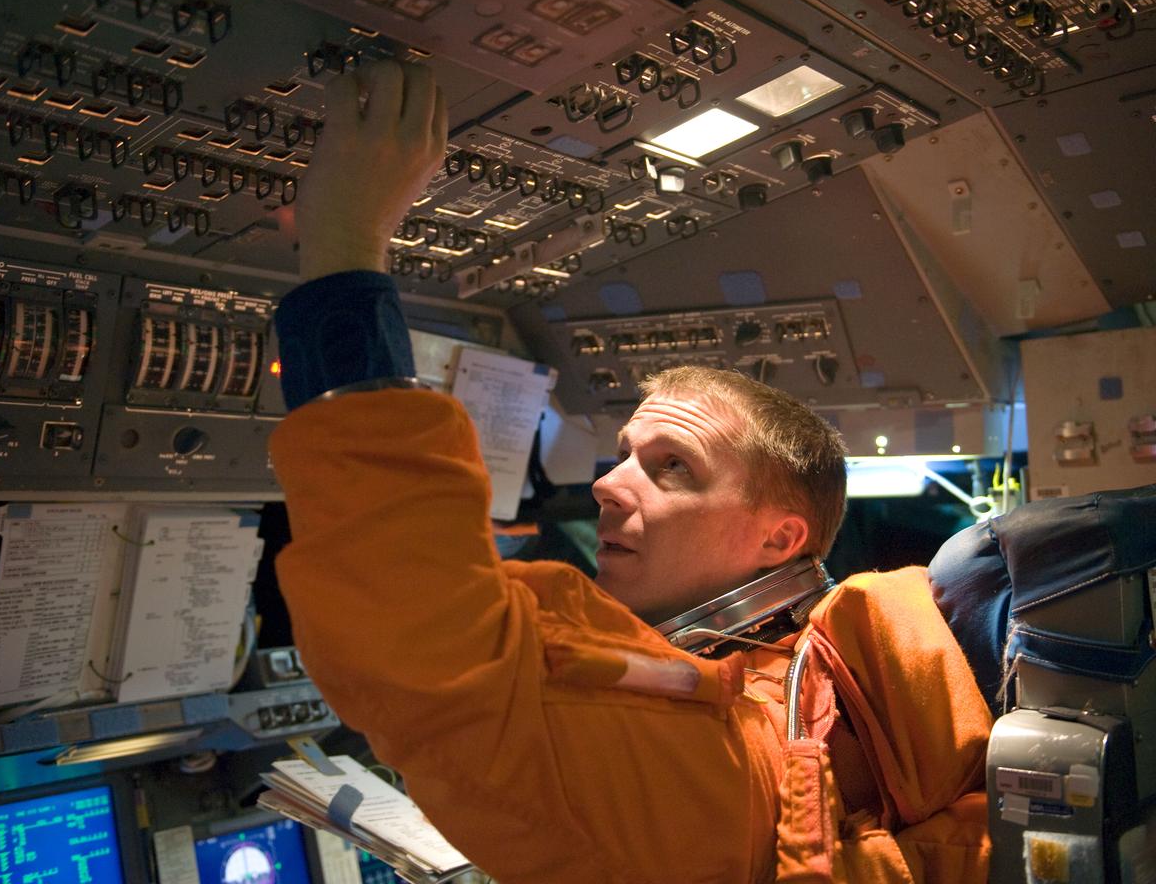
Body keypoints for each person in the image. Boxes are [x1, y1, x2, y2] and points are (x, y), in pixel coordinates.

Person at [269, 61, 992, 883]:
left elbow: (428, 656)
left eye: (672, 468)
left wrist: (344, 242)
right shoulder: (810, 705)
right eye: (622, 457)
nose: (609, 486)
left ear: (780, 539)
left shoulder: (753, 752)